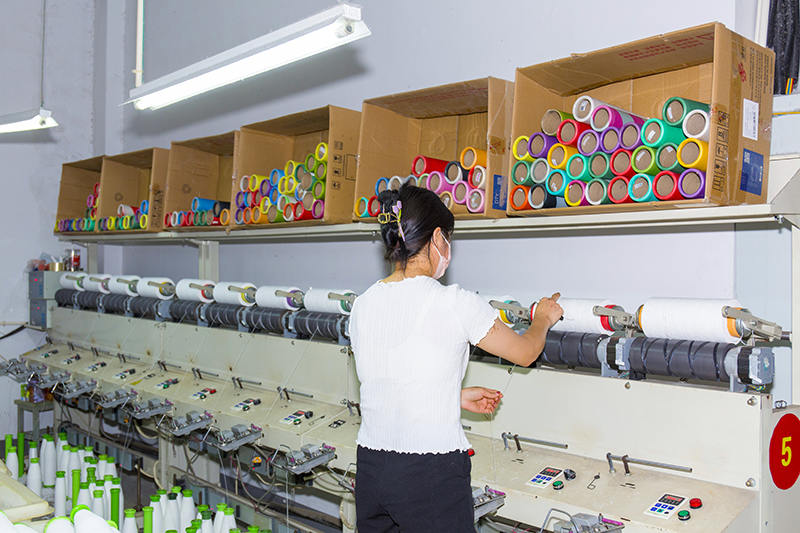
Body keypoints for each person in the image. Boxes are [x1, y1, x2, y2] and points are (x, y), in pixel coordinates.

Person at [348, 184, 563, 532]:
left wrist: (452, 397)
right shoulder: (454, 302)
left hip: (373, 469)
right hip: (430, 476)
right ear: (436, 238)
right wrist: (542, 319)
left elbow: (390, 376)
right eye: (448, 239)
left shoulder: (363, 304)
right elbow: (525, 353)